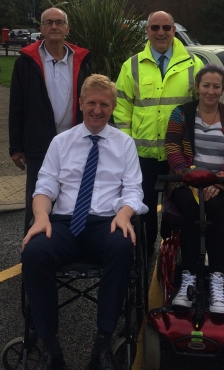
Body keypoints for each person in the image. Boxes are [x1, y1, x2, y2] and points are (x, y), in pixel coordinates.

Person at [21, 74, 148, 370]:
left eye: (104, 104)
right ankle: (51, 348)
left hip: (106, 223)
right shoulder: (61, 142)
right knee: (34, 252)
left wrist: (125, 213)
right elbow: (44, 188)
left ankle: (102, 346)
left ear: (113, 107)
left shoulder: (125, 144)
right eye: (91, 102)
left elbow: (133, 189)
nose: (97, 109)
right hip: (64, 224)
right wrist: (40, 216)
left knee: (122, 245)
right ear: (80, 104)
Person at [113, 11, 204, 254]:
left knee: (181, 208)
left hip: (181, 155)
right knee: (144, 207)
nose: (160, 32)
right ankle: (144, 251)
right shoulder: (131, 65)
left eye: (166, 27)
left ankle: (175, 254)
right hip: (142, 154)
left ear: (174, 30)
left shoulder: (194, 65)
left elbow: (206, 106)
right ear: (147, 31)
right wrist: (125, 147)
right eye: (155, 28)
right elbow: (122, 109)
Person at [165, 64, 224, 314]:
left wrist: (219, 181)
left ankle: (217, 278)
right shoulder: (181, 114)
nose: (211, 91)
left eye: (216, 86)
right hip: (187, 180)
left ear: (222, 89)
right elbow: (172, 148)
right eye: (206, 86)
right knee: (192, 207)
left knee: (213, 207)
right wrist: (189, 175)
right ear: (197, 87)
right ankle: (188, 277)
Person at [8, 7, 90, 236]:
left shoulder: (80, 60)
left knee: (71, 197)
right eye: (48, 22)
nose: (54, 26)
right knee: (38, 197)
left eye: (59, 22)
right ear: (41, 28)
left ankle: (65, 248)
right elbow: (16, 106)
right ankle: (33, 252)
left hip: (75, 142)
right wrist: (16, 147)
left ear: (67, 28)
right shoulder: (26, 62)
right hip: (38, 144)